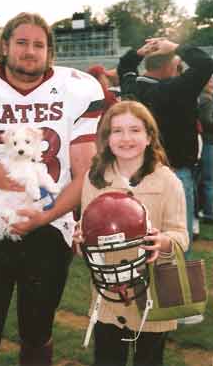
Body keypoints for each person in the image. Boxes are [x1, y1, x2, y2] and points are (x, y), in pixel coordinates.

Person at [0, 12, 104, 366]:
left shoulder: (76, 89)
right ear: (5, 46)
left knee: (37, 330)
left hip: (49, 227)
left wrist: (44, 215)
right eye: (21, 43)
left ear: (50, 51)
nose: (30, 51)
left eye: (38, 45)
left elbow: (85, 174)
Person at [74, 100, 189, 366]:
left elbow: (181, 236)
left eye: (135, 130)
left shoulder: (167, 180)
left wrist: (162, 241)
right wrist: (81, 241)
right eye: (117, 131)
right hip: (109, 294)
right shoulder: (95, 177)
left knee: (149, 359)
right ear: (106, 138)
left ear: (149, 137)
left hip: (154, 292)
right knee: (108, 359)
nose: (126, 138)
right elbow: (85, 233)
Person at [117, 38, 213, 256]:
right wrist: (177, 47)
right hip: (176, 171)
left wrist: (139, 53)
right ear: (168, 66)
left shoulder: (132, 86)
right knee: (176, 241)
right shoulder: (177, 89)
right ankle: (176, 287)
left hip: (139, 171)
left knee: (140, 238)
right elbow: (206, 64)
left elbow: (125, 67)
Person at [198, 75, 213, 224]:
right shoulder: (207, 99)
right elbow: (207, 121)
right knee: (209, 181)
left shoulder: (204, 98)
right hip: (208, 142)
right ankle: (209, 213)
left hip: (207, 142)